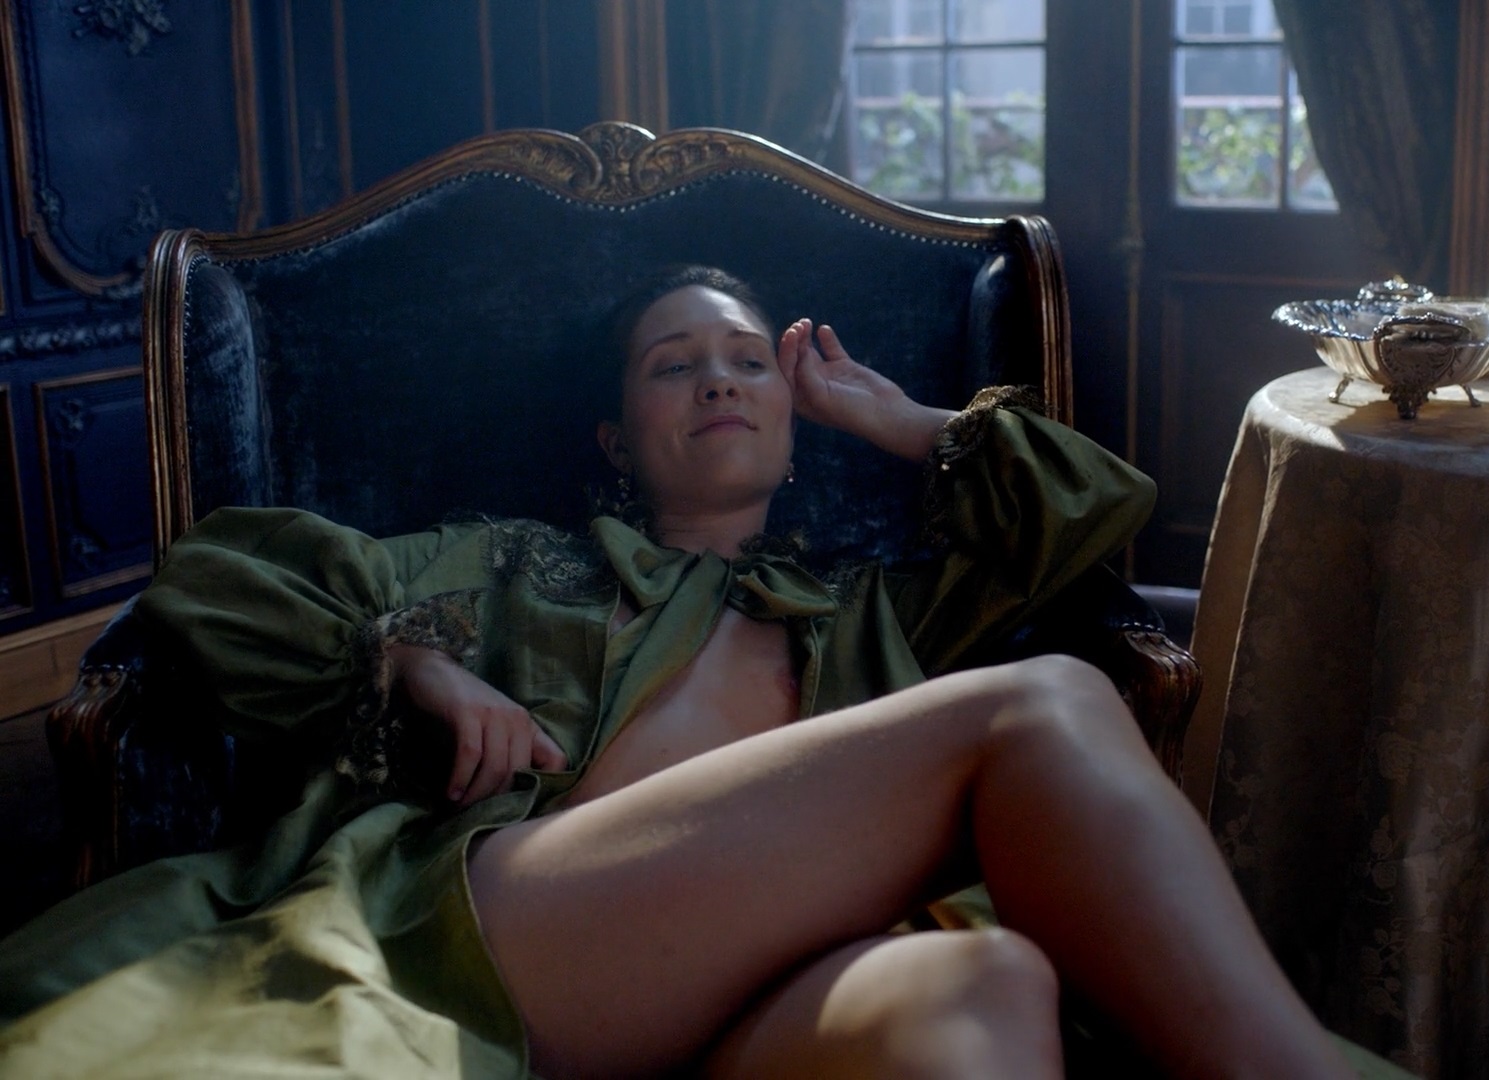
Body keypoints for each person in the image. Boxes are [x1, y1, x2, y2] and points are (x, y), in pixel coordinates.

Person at [0, 268, 1357, 1079]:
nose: (718, 381)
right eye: (673, 366)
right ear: (616, 436)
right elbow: (220, 576)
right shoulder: (518, 561)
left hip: (785, 995)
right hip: (520, 938)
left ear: (792, 419)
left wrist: (903, 421)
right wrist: (414, 659)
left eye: (748, 363)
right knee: (1047, 702)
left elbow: (1092, 511)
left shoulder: (874, 609)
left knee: (986, 985)